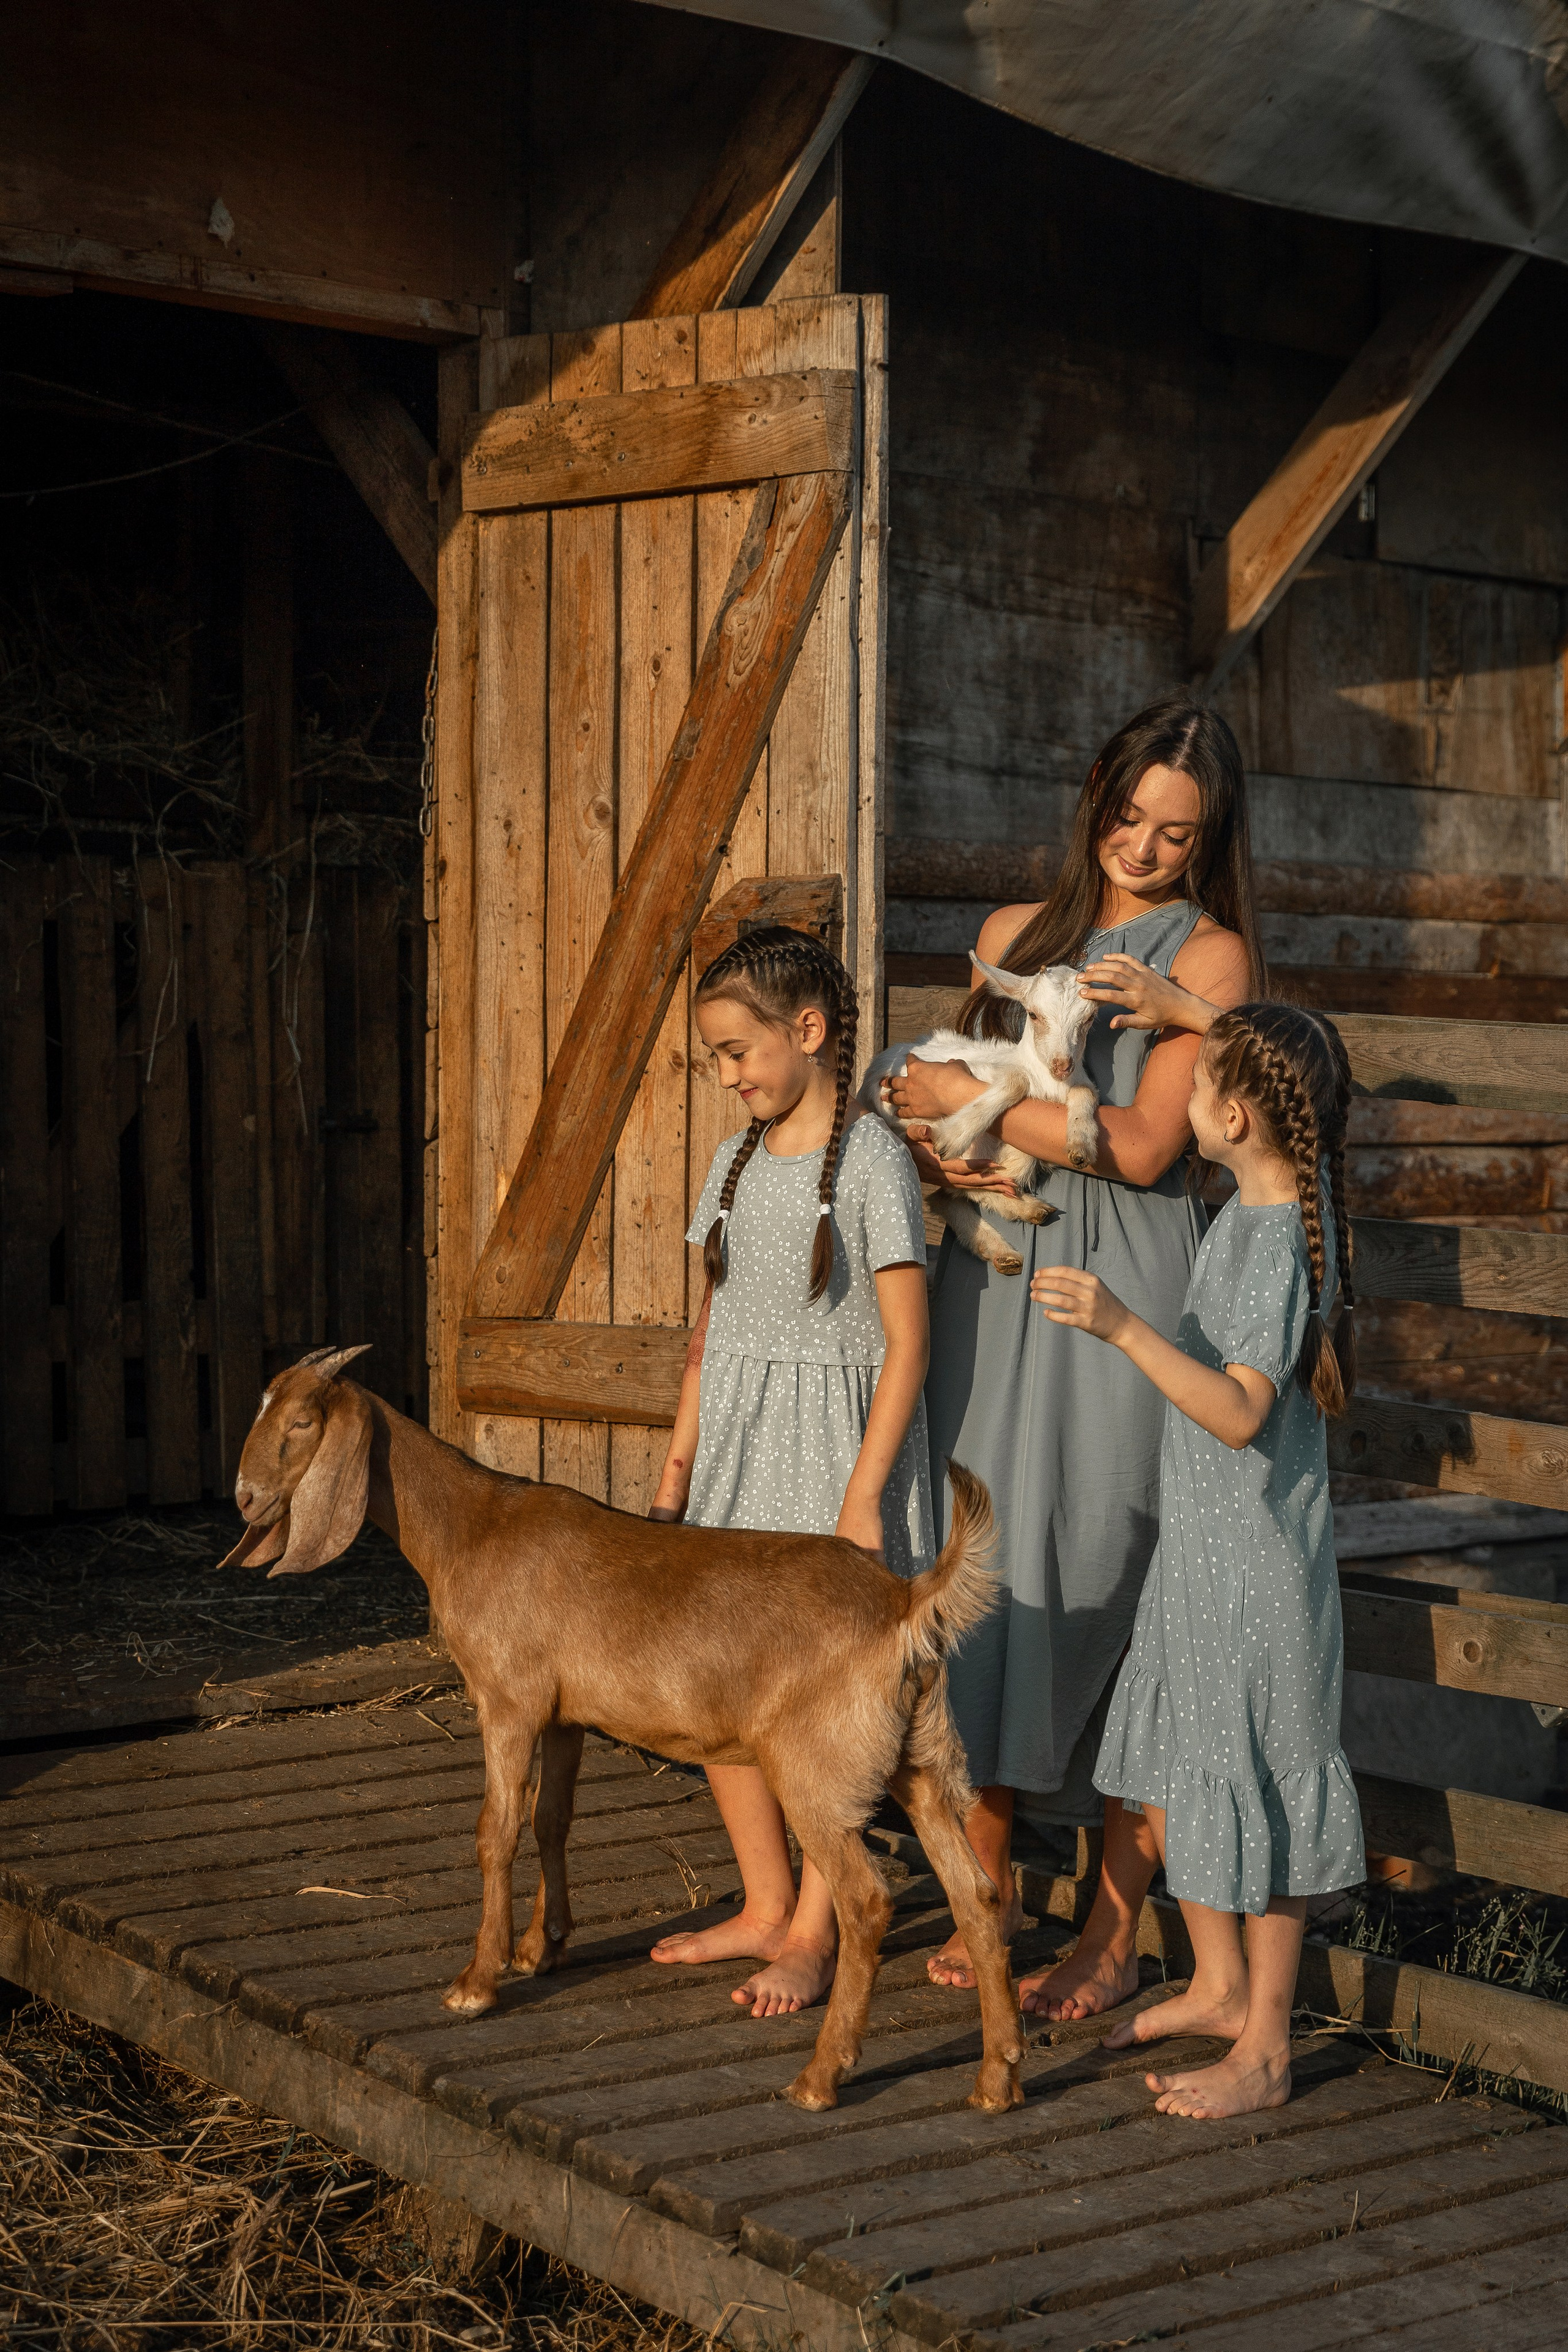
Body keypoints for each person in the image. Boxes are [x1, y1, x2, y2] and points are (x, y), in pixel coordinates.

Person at [888, 688, 1262, 2011]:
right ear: (1094, 798)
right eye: (1127, 816)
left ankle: (1109, 1934)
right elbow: (936, 1093)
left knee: (1116, 1572)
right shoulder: (1009, 935)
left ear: (1207, 842)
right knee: (979, 1552)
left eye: (1175, 832)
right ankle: (978, 1884)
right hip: (993, 1273)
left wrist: (955, 1100)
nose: (1142, 847)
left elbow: (1150, 1147)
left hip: (1121, 1284)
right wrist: (930, 1113)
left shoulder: (1206, 965)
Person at [1032, 1001, 1365, 2117]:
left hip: (1259, 1572)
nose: (1177, 1097)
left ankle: (1266, 2048)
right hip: (1207, 1557)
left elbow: (1235, 1412)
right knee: (1184, 1757)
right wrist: (1187, 1011)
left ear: (1232, 1115)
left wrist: (1125, 1328)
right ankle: (1219, 1985)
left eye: (1197, 1078)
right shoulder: (1260, 1207)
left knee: (1260, 1785)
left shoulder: (1276, 1242)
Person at [646, 925, 934, 2016]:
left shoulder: (870, 1161)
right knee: (719, 1682)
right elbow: (708, 1332)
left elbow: (907, 1340)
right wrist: (679, 1467)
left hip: (831, 1465)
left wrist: (864, 1497)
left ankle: (818, 1927)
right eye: (714, 1057)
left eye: (737, 1051)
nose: (726, 1075)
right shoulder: (728, 1165)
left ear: (807, 1032)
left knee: (817, 1707)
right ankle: (765, 1901)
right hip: (736, 1455)